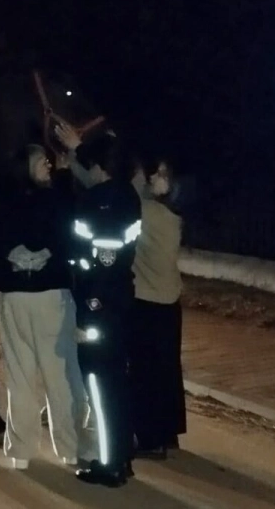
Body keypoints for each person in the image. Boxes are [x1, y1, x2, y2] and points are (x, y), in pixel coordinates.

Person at [0, 144, 87, 469]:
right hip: (52, 296)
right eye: (43, 162)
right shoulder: (54, 200)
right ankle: (68, 448)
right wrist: (67, 177)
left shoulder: (1, 203)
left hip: (14, 298)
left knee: (20, 376)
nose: (49, 166)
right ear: (26, 165)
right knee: (60, 376)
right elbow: (72, 234)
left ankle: (21, 451)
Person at [55, 122, 143, 487]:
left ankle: (109, 466)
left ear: (100, 166)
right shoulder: (126, 196)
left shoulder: (101, 202)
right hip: (120, 298)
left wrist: (89, 309)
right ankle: (121, 455)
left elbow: (99, 262)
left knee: (101, 385)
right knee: (116, 384)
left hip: (101, 303)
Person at [129, 156, 194, 458]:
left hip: (147, 302)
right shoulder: (172, 215)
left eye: (162, 175)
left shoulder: (150, 213)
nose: (155, 177)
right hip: (169, 301)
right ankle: (168, 433)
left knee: (145, 372)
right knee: (168, 369)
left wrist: (77, 155)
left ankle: (149, 439)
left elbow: (125, 197)